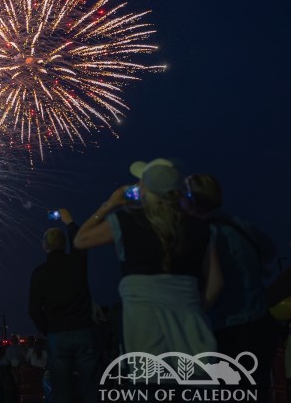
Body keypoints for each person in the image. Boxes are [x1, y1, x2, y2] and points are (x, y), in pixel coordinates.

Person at [74, 158, 223, 356]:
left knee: (150, 380)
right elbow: (216, 282)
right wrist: (195, 310)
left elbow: (80, 240)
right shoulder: (201, 227)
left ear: (145, 188)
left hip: (143, 327)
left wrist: (109, 204)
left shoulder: (125, 221)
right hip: (191, 327)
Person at [184, 173, 277, 402]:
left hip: (227, 327)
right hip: (260, 321)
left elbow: (214, 285)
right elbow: (269, 251)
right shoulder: (241, 225)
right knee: (258, 390)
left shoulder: (204, 233)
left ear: (191, 199)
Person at [28, 208, 98, 403]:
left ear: (44, 246)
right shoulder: (77, 261)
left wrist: (47, 329)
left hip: (57, 334)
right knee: (91, 385)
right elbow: (80, 244)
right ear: (65, 243)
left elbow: (33, 310)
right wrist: (70, 223)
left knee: (61, 390)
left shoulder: (39, 273)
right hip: (84, 329)